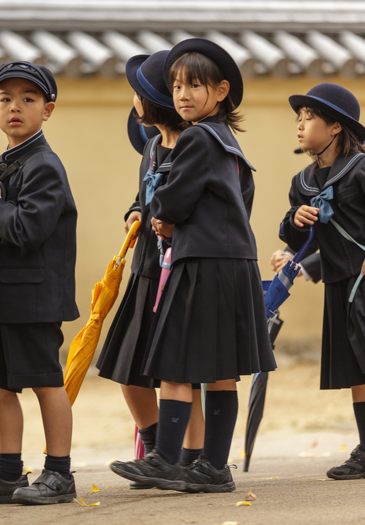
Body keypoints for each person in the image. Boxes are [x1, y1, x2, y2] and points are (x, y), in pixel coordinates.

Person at [110, 38, 275, 493]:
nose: (182, 95)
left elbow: (173, 198)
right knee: (220, 370)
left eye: (194, 86)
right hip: (233, 262)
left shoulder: (199, 136)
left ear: (221, 91)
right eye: (177, 86)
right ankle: (213, 468)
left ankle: (166, 458)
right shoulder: (225, 139)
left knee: (176, 364)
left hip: (201, 261)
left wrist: (162, 214)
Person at [0, 61, 79, 506]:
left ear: (48, 110)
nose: (15, 108)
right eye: (5, 99)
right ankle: (7, 472)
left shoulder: (44, 164)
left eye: (29, 98)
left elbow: (28, 229)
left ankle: (60, 473)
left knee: (46, 381)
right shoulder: (1, 163)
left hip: (35, 297)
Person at [96, 51, 204, 489]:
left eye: (138, 93)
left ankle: (187, 457)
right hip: (145, 269)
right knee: (127, 366)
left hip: (180, 272)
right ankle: (158, 445)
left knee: (183, 374)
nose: (133, 101)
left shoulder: (196, 145)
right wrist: (136, 209)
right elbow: (144, 194)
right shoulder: (152, 147)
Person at [279, 82, 365, 480]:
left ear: (335, 127)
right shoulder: (303, 183)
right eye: (298, 118)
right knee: (355, 368)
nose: (299, 125)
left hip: (362, 281)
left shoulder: (362, 169)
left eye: (308, 117)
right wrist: (294, 222)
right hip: (338, 283)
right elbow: (298, 237)